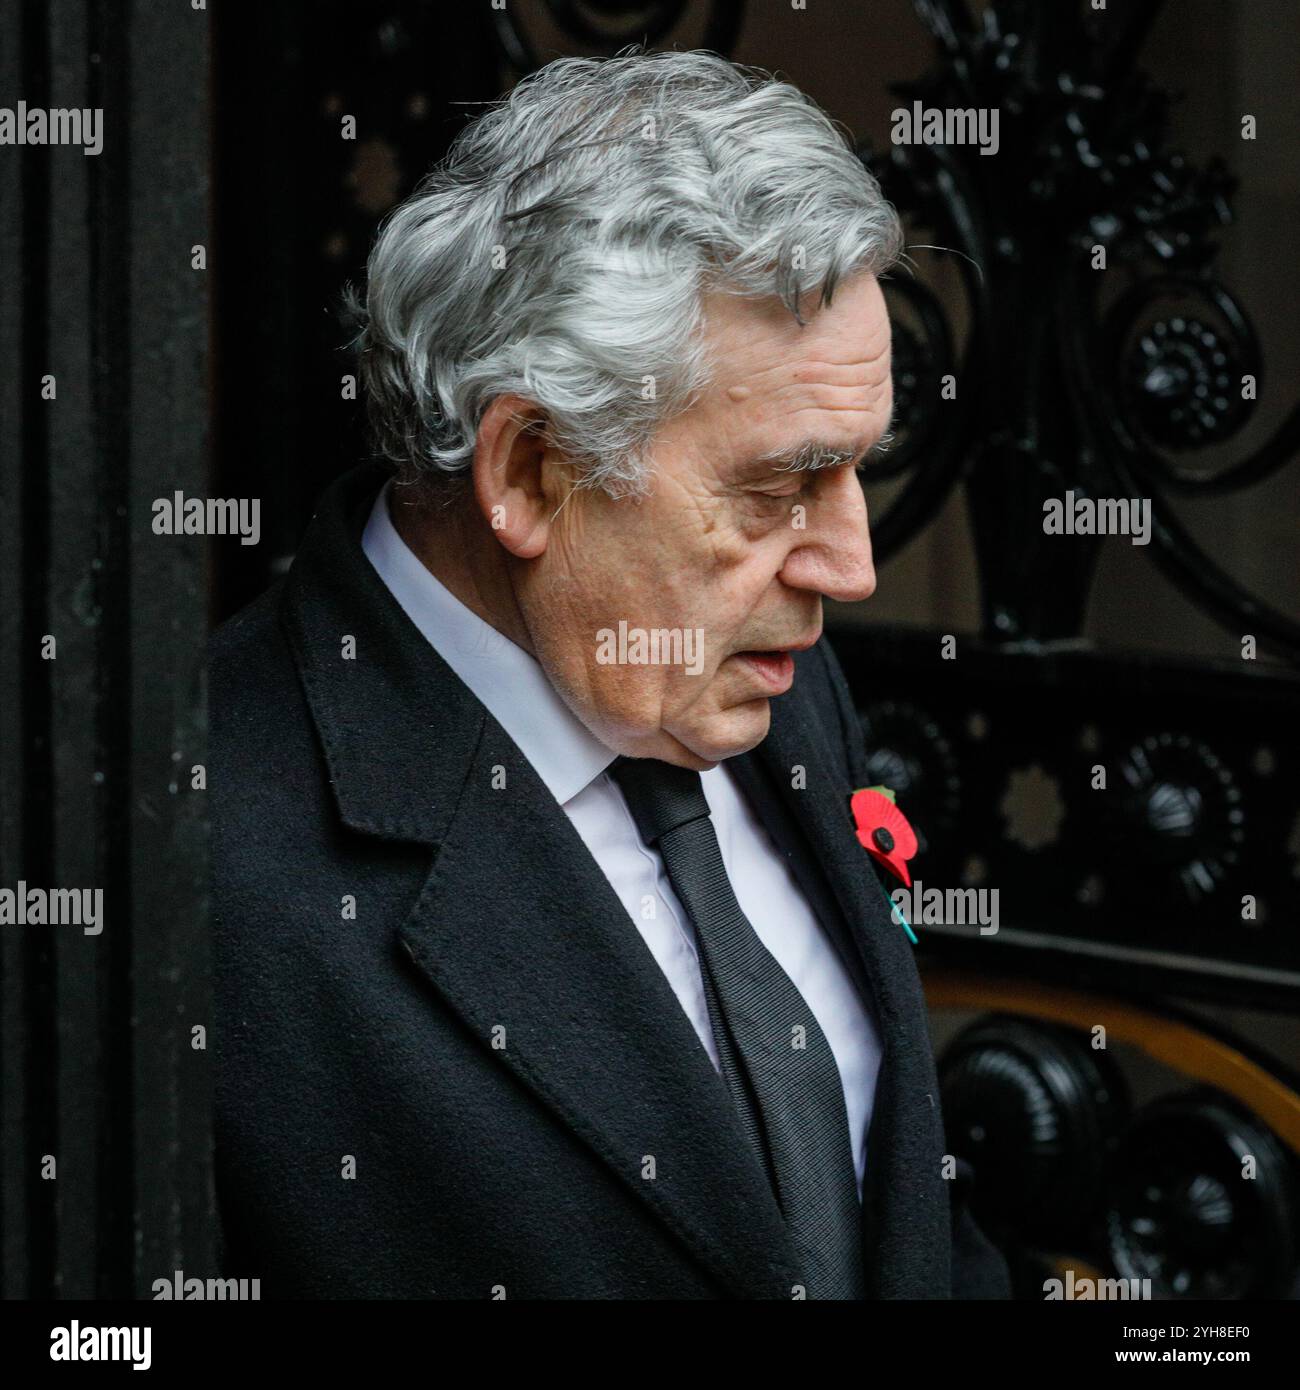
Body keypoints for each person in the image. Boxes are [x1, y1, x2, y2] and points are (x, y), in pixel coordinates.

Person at [211, 47, 1010, 1299]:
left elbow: (904, 1217)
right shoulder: (203, 859)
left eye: (860, 468)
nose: (852, 568)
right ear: (531, 469)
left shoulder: (768, 676)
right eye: (780, 486)